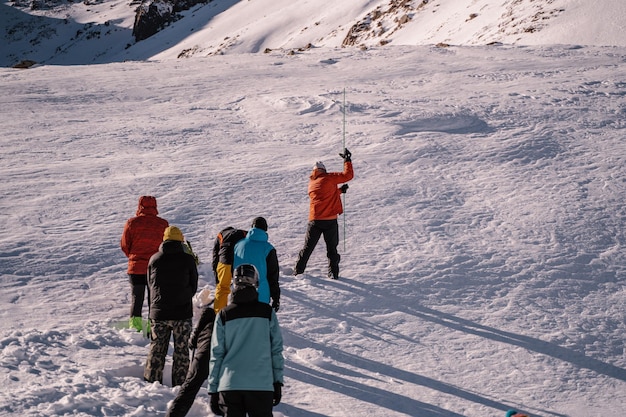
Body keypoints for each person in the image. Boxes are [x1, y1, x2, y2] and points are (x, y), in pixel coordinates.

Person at [208, 264, 284, 417]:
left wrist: (213, 389)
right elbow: (276, 349)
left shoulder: (224, 315)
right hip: (261, 385)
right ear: (255, 283)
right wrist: (277, 381)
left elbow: (217, 354)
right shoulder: (267, 313)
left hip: (230, 384)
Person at [144, 226, 198, 387]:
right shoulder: (188, 259)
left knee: (156, 350)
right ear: (181, 240)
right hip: (182, 313)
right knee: (181, 352)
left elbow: (150, 286)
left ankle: (150, 384)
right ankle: (180, 386)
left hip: (158, 312)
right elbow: (193, 285)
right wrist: (184, 296)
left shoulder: (154, 259)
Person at [294, 148, 354, 279]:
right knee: (332, 249)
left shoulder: (312, 183)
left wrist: (339, 191)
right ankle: (333, 273)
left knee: (307, 248)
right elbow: (348, 176)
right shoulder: (329, 178)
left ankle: (298, 270)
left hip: (315, 220)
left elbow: (324, 196)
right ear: (323, 170)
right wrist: (347, 160)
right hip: (330, 220)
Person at [120, 195, 169, 332]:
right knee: (153, 298)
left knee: (137, 298)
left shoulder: (132, 223)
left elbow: (125, 244)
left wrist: (133, 256)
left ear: (140, 206)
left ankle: (135, 328)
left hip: (136, 268)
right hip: (155, 267)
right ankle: (152, 327)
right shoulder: (163, 224)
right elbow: (166, 245)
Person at [165, 302, 216, 417]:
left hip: (203, 355)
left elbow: (192, 342)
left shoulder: (206, 320)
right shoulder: (227, 321)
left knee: (189, 387)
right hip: (223, 355)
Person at [233, 217, 280, 312]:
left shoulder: (238, 245)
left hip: (237, 293)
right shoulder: (268, 249)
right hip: (260, 296)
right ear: (265, 230)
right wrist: (276, 297)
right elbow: (272, 276)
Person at [212, 227, 247, 313]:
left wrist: (217, 279)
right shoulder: (244, 233)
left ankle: (219, 315)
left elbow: (215, 258)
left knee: (222, 288)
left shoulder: (220, 235)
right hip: (240, 261)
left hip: (225, 261)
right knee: (243, 287)